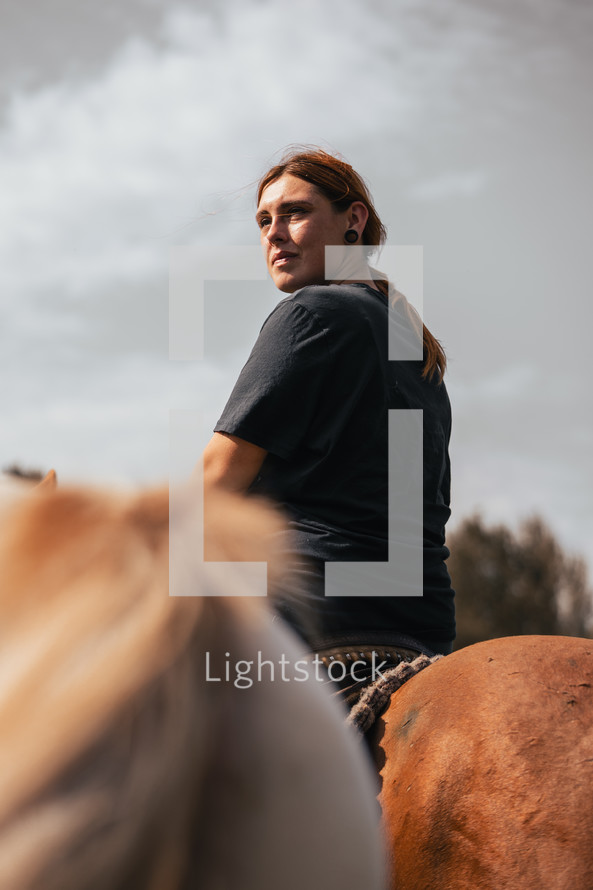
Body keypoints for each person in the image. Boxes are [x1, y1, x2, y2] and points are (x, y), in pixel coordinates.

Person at [203, 147, 455, 705]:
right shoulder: (416, 347)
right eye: (264, 221)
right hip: (422, 621)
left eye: (294, 213)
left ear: (354, 220)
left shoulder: (313, 312)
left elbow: (217, 478)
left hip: (312, 612)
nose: (275, 234)